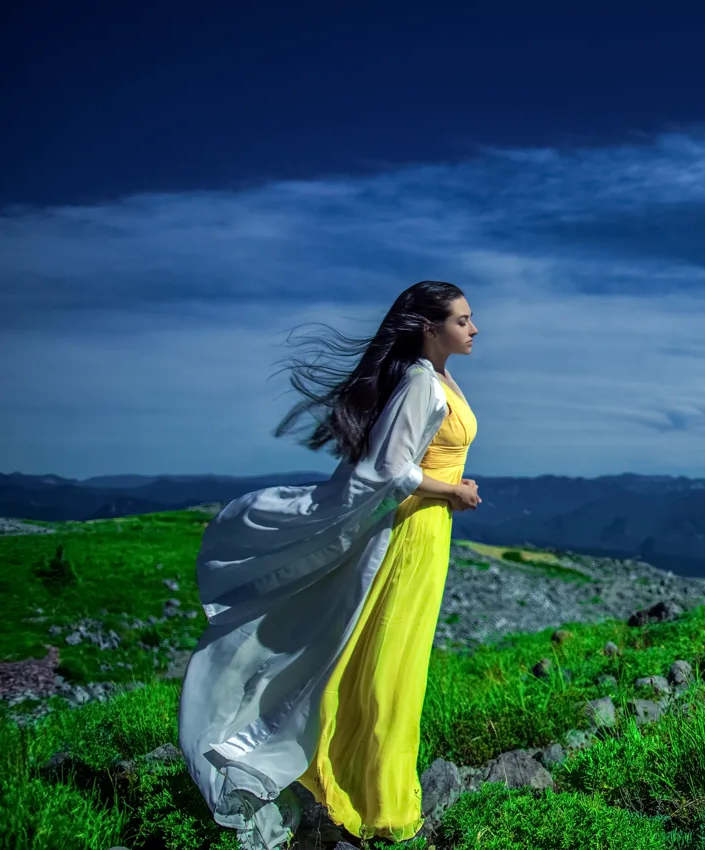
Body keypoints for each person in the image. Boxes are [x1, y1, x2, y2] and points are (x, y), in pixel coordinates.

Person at [178, 280, 480, 849]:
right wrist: (453, 491)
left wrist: (449, 490)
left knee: (391, 660)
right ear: (429, 328)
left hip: (428, 533)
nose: (474, 328)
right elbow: (389, 469)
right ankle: (381, 805)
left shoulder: (439, 379)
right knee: (391, 665)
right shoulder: (421, 384)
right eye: (462, 320)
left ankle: (358, 783)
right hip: (410, 535)